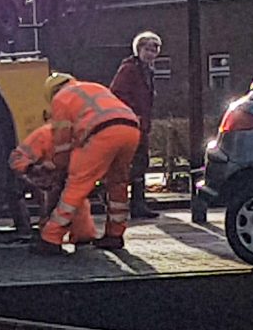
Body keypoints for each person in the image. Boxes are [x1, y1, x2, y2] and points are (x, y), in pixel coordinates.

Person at [31, 72, 141, 255]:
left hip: (101, 134)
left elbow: (63, 142)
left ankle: (50, 238)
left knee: (76, 185)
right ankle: (115, 234)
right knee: (118, 184)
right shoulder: (94, 86)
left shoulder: (60, 99)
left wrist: (60, 167)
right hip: (130, 129)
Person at [109, 30, 160, 219]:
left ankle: (138, 202)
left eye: (154, 50)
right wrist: (133, 114)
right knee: (135, 162)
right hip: (133, 123)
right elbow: (117, 92)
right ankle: (134, 203)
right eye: (147, 49)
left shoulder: (147, 71)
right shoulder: (130, 69)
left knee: (141, 162)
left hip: (141, 124)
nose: (151, 54)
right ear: (138, 49)